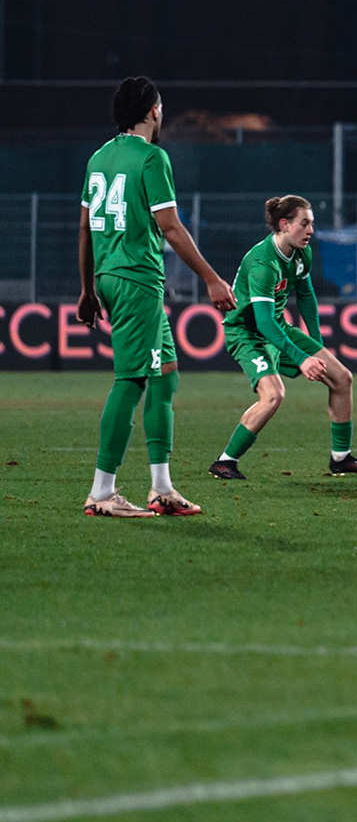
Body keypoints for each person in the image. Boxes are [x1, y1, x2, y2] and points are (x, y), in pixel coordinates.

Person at [75, 77, 238, 517]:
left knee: (164, 376)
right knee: (130, 381)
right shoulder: (152, 157)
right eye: (161, 108)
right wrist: (212, 278)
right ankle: (102, 493)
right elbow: (170, 227)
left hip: (112, 276)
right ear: (152, 112)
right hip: (137, 279)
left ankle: (161, 488)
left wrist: (89, 288)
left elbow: (87, 225)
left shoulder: (98, 158)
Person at [208, 195, 357, 479]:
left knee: (342, 378)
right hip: (248, 333)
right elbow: (262, 323)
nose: (311, 230)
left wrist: (316, 345)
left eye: (311, 223)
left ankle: (341, 458)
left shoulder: (302, 253)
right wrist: (302, 359)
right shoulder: (264, 263)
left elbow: (305, 295)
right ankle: (225, 461)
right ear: (285, 224)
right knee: (273, 395)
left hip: (278, 326)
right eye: (305, 224)